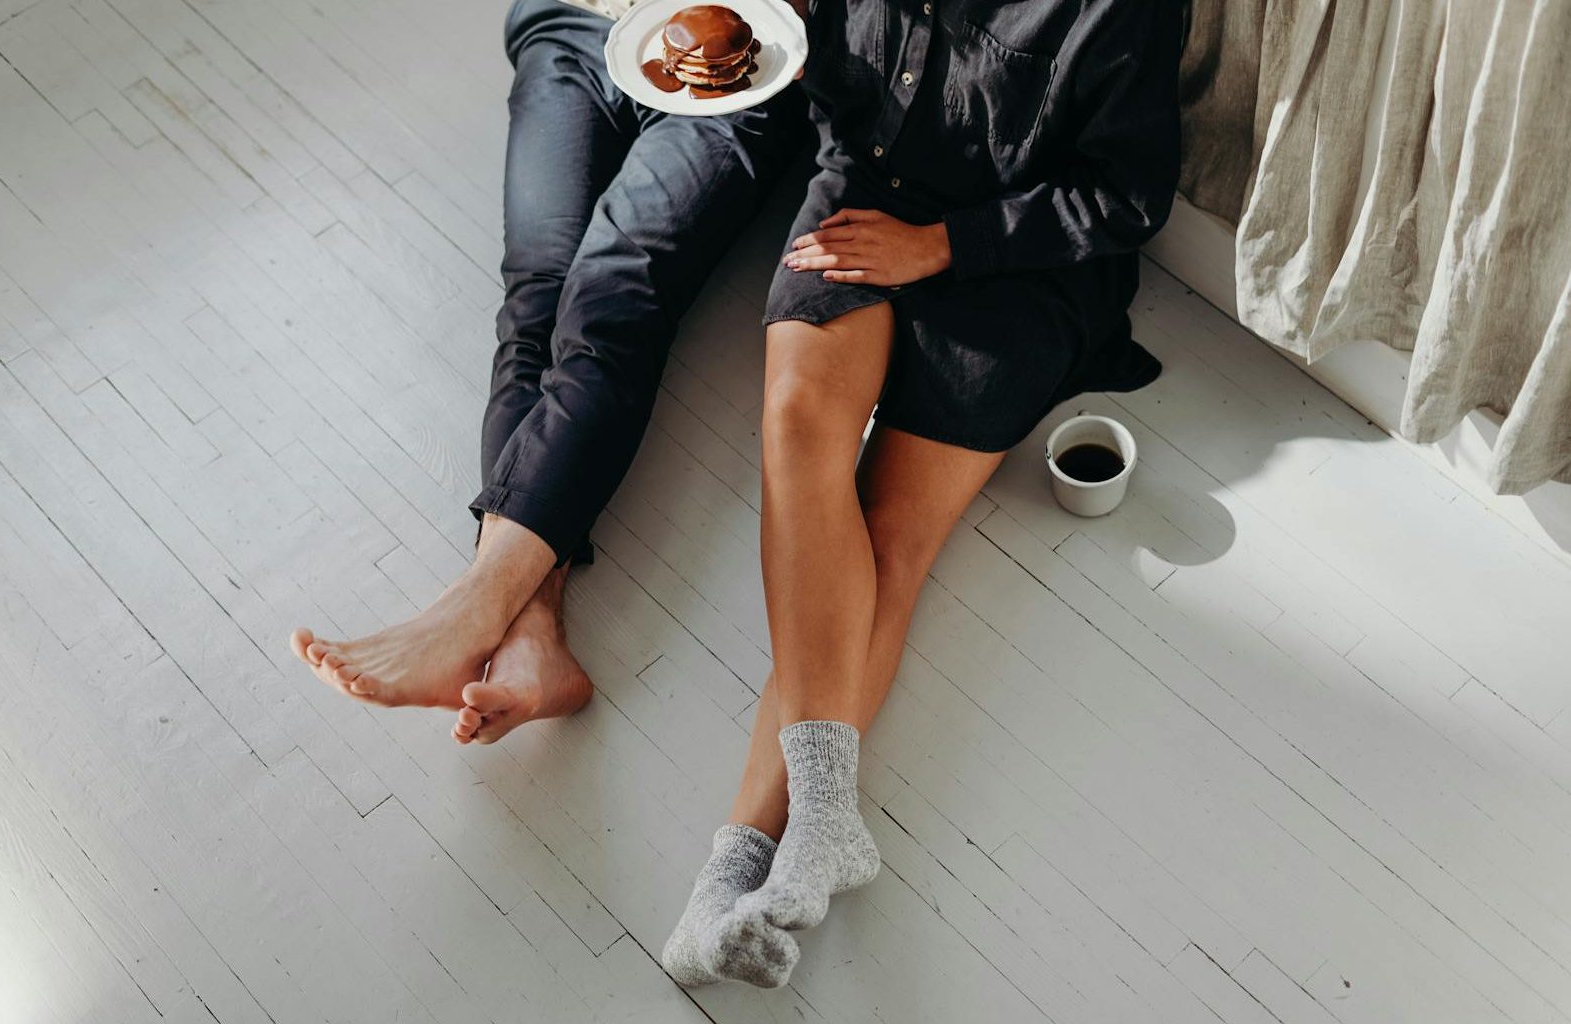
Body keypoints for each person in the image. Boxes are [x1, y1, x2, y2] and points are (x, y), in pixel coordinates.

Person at [662, 0, 1184, 988]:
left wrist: (944, 244)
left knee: (889, 536)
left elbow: (1128, 198)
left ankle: (735, 865)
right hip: (864, 194)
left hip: (1016, 258)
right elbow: (832, 76)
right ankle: (809, 831)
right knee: (795, 434)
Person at [289, 0, 806, 743]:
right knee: (537, 295)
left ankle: (471, 610)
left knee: (611, 295)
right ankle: (530, 639)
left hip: (743, 46)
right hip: (578, 21)